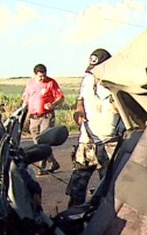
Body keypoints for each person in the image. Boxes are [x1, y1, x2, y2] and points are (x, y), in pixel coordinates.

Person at [65, 48, 122, 207]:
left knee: (110, 187)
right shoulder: (88, 79)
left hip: (110, 142)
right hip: (87, 140)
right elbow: (80, 98)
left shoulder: (118, 81)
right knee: (77, 185)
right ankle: (73, 218)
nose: (94, 73)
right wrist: (79, 109)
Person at [22, 63, 65, 175]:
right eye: (40, 76)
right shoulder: (30, 84)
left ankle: (42, 167)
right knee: (37, 142)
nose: (43, 78)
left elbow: (60, 97)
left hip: (46, 116)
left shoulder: (51, 83)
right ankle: (53, 162)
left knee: (44, 141)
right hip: (33, 117)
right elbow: (26, 98)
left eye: (44, 75)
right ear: (35, 75)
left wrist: (53, 104)